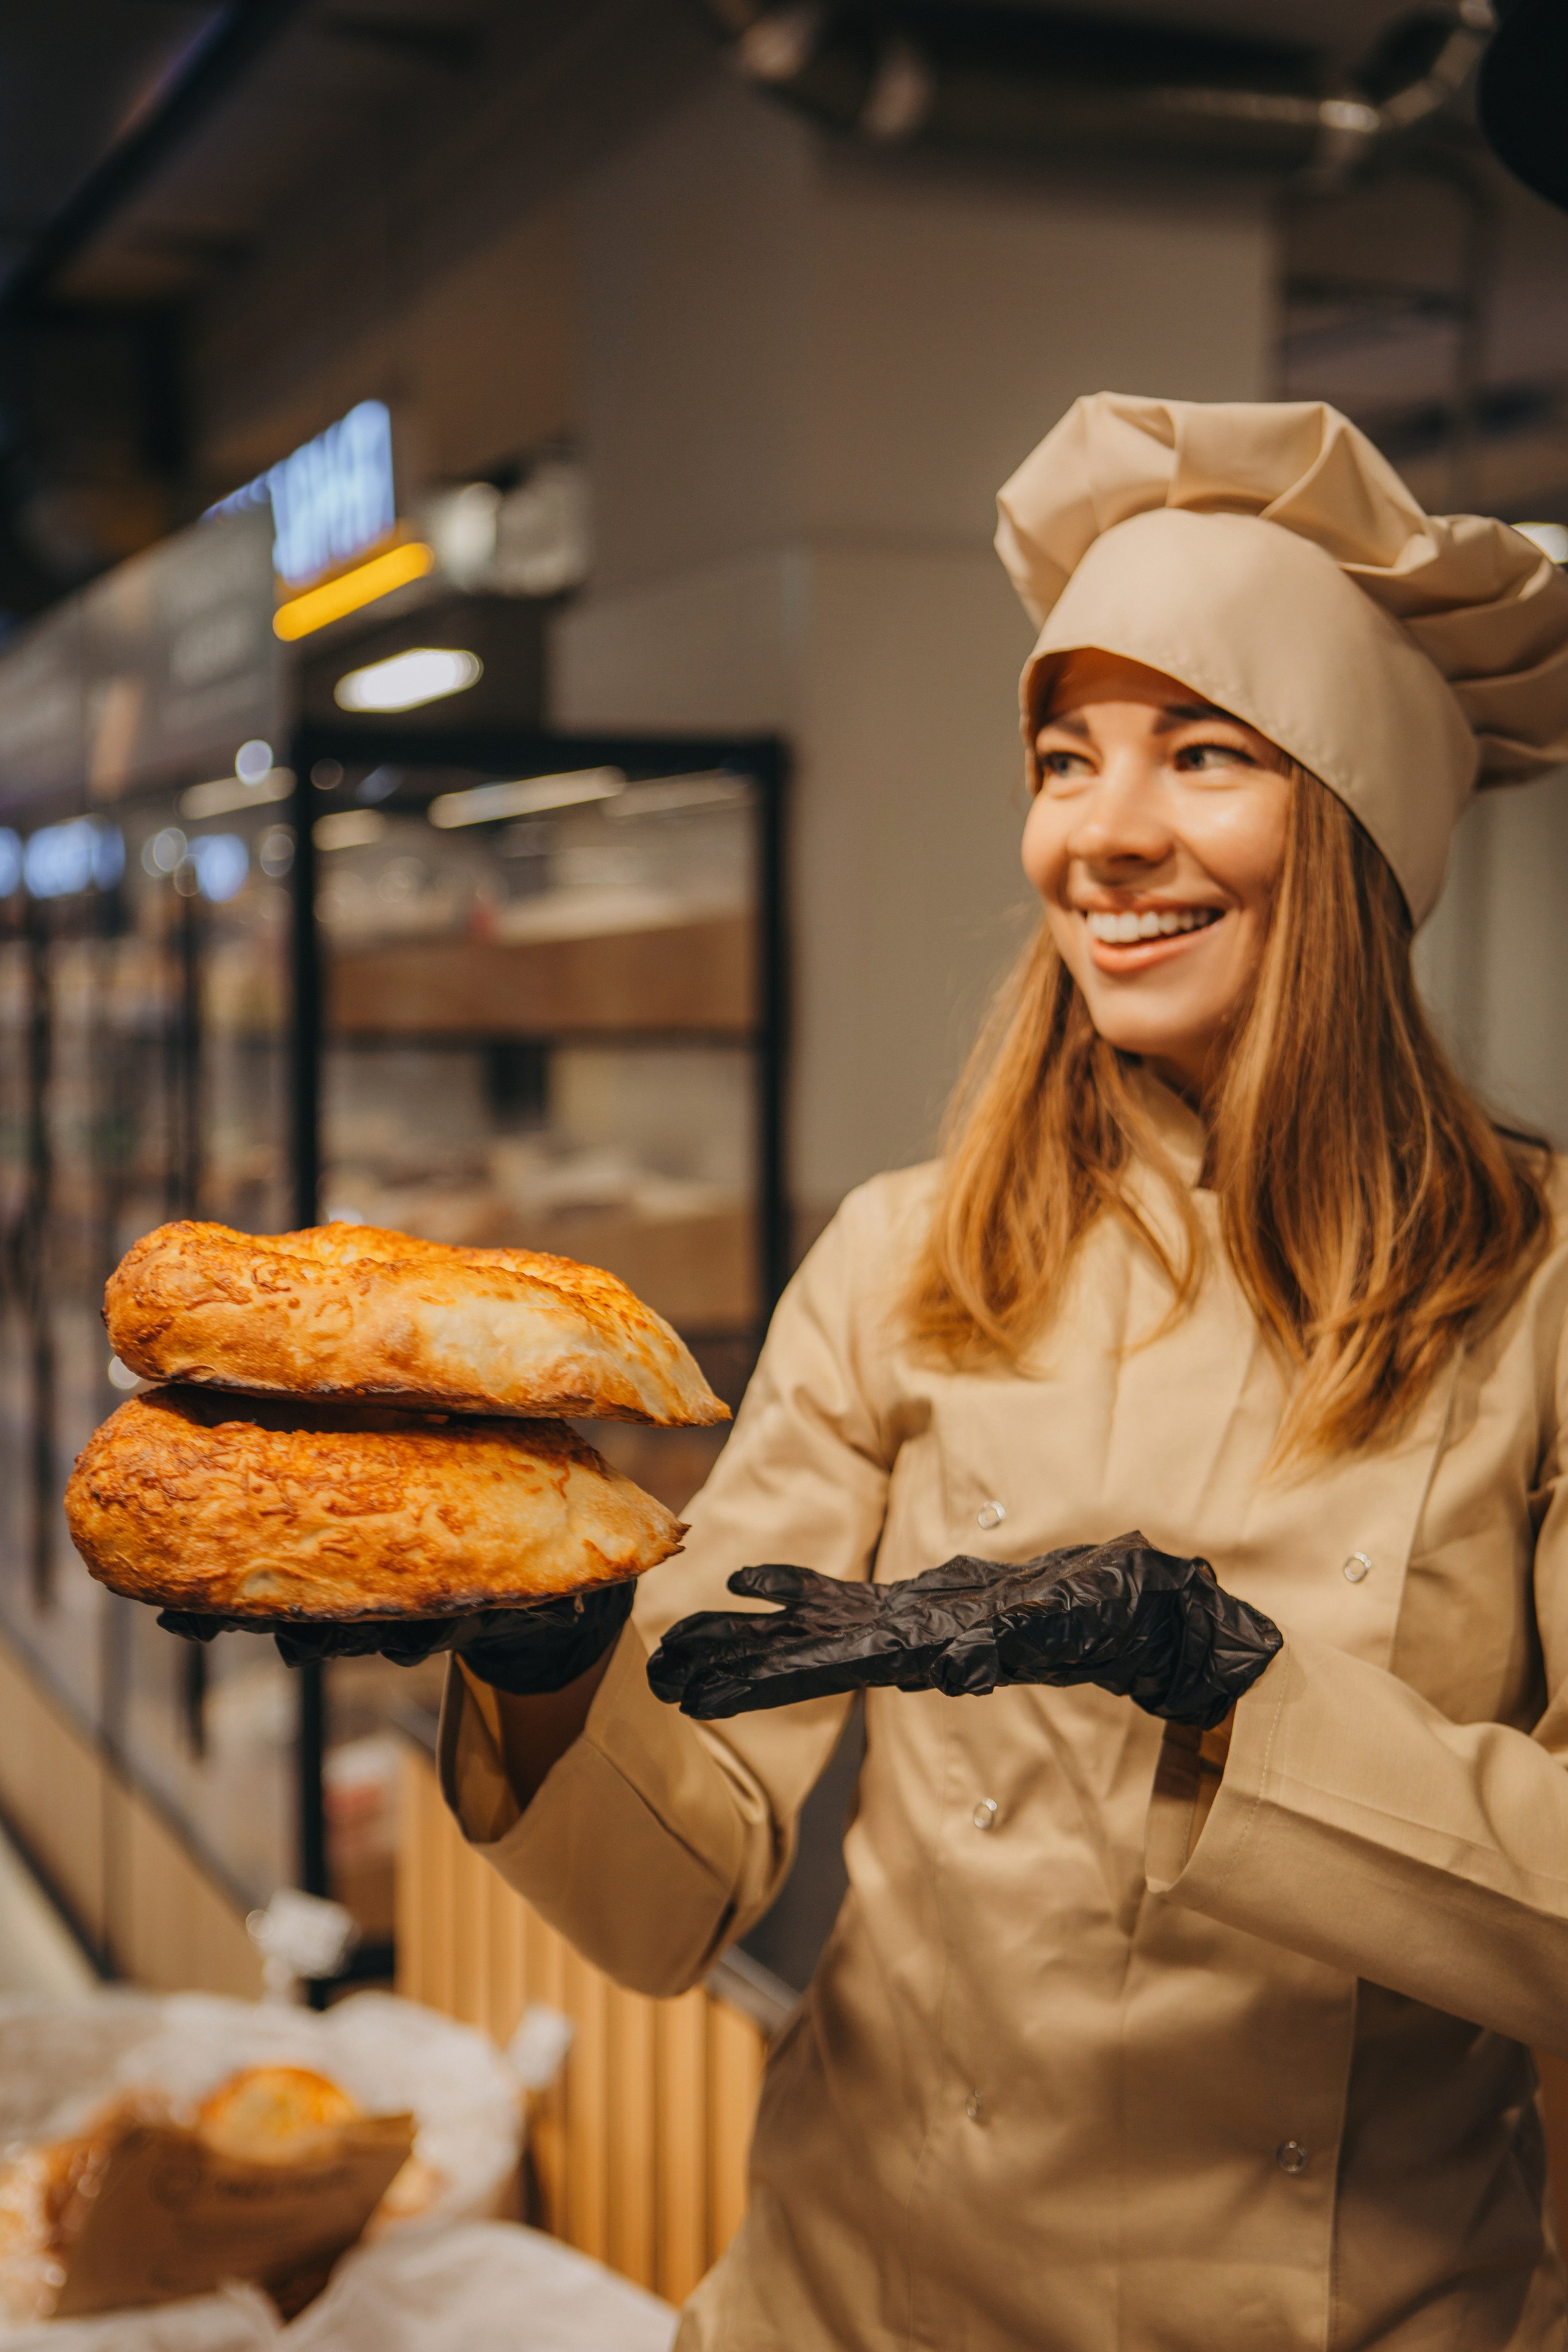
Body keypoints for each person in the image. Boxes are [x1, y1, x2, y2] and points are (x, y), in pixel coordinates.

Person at [440, 394, 1568, 2349]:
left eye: (1204, 753)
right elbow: (671, 1897)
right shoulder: (909, 1254)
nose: (1102, 831)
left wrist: (1224, 1684)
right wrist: (548, 1680)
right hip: (860, 2297)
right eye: (1064, 758)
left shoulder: (1537, 1293)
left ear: (1365, 820)